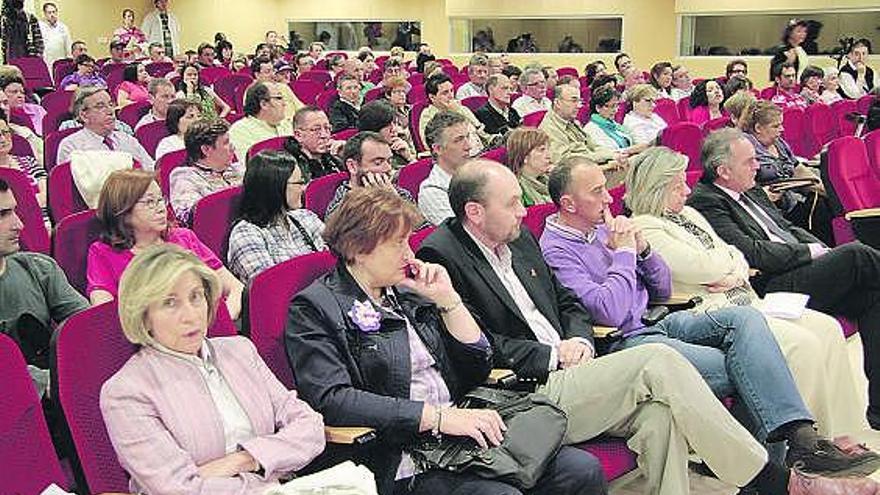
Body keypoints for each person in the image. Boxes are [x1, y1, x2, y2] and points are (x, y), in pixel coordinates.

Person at [416, 159, 880, 495]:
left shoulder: (515, 242)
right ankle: (780, 483)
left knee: (660, 415)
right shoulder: (444, 255)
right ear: (475, 212)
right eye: (514, 203)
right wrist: (557, 353)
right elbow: (477, 345)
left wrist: (577, 335)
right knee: (662, 361)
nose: (523, 211)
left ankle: (791, 454)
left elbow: (567, 301)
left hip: (581, 359)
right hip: (529, 386)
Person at [541, 154, 879, 476]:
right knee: (750, 367)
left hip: (659, 320)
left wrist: (643, 250)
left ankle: (799, 445)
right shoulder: (555, 249)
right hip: (623, 342)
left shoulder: (603, 229)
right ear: (569, 204)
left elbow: (661, 287)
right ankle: (782, 463)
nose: (608, 200)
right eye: (597, 191)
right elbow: (611, 313)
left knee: (748, 322)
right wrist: (626, 255)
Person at [286, 186, 608, 495]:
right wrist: (436, 417)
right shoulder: (316, 307)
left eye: (408, 242)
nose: (409, 254)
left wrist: (448, 300)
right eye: (397, 244)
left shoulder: (407, 291)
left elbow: (480, 365)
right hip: (401, 452)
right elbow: (333, 399)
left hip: (460, 432)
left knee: (580, 470)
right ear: (358, 248)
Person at [626, 146, 873, 440]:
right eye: (678, 184)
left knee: (828, 328)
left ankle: (843, 433)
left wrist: (730, 270)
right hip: (715, 313)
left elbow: (736, 254)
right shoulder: (644, 226)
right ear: (656, 188)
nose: (687, 190)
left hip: (746, 298)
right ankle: (810, 442)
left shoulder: (690, 213)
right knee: (804, 345)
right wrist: (728, 267)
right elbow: (702, 267)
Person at [688, 128, 880, 430]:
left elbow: (786, 227)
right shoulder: (707, 201)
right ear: (724, 171)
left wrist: (822, 250)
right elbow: (753, 253)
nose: (758, 166)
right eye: (749, 161)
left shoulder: (748, 188)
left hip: (798, 270)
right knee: (858, 255)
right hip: (769, 283)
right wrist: (809, 252)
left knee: (873, 295)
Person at [100, 243, 325, 493]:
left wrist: (247, 459)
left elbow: (310, 427)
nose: (191, 315)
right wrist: (268, 477)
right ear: (143, 316)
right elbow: (179, 489)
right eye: (170, 303)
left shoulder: (240, 350)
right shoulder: (125, 392)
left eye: (196, 296)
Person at [88, 169, 243, 319]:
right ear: (123, 211)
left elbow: (235, 288)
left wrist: (221, 321)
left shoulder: (184, 237)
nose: (161, 209)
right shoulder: (102, 253)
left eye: (160, 199)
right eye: (149, 202)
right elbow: (104, 317)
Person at [0, 178, 87, 393]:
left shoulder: (40, 269)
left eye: (14, 211)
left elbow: (86, 326)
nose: (18, 225)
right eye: (2, 215)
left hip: (56, 390)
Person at [227, 150, 325, 284]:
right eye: (298, 183)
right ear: (275, 187)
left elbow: (336, 260)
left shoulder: (305, 217)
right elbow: (270, 288)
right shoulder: (246, 234)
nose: (303, 189)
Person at [742, 101, 833, 244]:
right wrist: (763, 194)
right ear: (758, 128)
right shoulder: (744, 147)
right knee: (820, 210)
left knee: (827, 201)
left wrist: (825, 189)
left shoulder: (778, 143)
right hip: (772, 210)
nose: (782, 129)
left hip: (794, 200)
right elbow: (742, 186)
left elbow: (798, 169)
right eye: (776, 126)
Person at [539, 83, 626, 183]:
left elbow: (593, 146)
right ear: (557, 103)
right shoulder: (549, 128)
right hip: (575, 179)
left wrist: (612, 154)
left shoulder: (572, 122)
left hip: (591, 167)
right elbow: (565, 161)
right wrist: (606, 159)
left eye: (579, 101)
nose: (578, 106)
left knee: (631, 163)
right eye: (573, 100)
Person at [57, 86, 154, 169]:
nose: (110, 111)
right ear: (84, 115)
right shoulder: (71, 146)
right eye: (100, 106)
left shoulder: (127, 139)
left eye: (111, 105)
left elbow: (150, 169)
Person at [170, 118, 243, 226]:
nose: (233, 148)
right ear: (206, 150)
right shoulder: (184, 177)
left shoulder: (238, 168)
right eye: (226, 143)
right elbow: (190, 217)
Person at [325, 131, 416, 219]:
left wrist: (395, 199)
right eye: (378, 163)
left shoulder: (399, 193)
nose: (388, 168)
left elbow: (422, 228)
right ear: (352, 166)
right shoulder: (340, 211)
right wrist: (390, 202)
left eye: (389, 161)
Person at [418, 111, 472, 225]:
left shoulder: (476, 174)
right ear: (438, 149)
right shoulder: (432, 193)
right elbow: (464, 235)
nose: (468, 146)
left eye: (468, 137)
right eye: (458, 140)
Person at [419, 73, 490, 156]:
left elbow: (480, 130)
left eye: (452, 90)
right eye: (445, 93)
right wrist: (454, 112)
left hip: (480, 151)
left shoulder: (461, 108)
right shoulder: (428, 115)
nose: (451, 96)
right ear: (432, 97)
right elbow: (428, 145)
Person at [228, 82, 292, 162]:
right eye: (279, 98)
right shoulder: (240, 130)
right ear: (264, 104)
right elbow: (249, 167)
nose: (284, 103)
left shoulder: (287, 125)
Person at [584, 86, 646, 156]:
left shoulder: (614, 124)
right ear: (598, 107)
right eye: (610, 106)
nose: (615, 110)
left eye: (616, 106)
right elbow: (605, 153)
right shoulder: (591, 129)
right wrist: (631, 150)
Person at [284, 106, 343, 180]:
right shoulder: (290, 167)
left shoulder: (333, 157)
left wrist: (346, 154)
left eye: (327, 128)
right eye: (316, 130)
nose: (324, 135)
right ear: (298, 135)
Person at [357, 100, 415, 169]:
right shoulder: (366, 156)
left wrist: (409, 157)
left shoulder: (400, 145)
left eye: (396, 123)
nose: (394, 129)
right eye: (388, 126)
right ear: (374, 128)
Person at [506, 127, 552, 206]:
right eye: (542, 150)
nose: (549, 156)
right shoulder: (518, 193)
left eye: (548, 149)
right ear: (524, 157)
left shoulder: (549, 179)